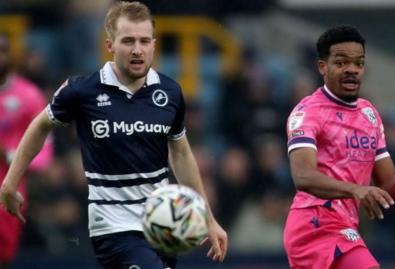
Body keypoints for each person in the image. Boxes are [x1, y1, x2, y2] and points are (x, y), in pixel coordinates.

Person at [0, 2, 227, 269]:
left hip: (162, 225)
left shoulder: (170, 92)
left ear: (154, 44)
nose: (137, 49)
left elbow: (180, 152)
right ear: (110, 45)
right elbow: (40, 126)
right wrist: (10, 183)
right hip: (113, 228)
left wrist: (208, 218)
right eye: (128, 41)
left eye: (144, 41)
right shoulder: (83, 91)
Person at [283, 25, 395, 269]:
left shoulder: (369, 114)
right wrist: (356, 190)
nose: (352, 70)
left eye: (359, 63)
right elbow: (302, 177)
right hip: (313, 223)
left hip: (346, 224)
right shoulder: (307, 113)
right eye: (341, 63)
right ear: (322, 67)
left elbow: (386, 185)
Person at [0, 33, 53, 269]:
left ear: (10, 55)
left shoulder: (29, 96)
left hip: (7, 194)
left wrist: (8, 155)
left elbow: (44, 157)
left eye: (1, 51)